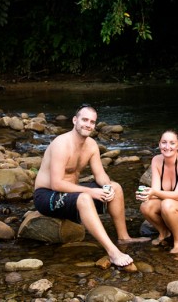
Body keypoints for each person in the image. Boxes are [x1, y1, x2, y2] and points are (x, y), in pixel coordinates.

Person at [34, 104, 150, 267]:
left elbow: (100, 174)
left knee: (116, 187)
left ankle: (124, 237)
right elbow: (57, 183)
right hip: (46, 195)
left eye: (92, 122)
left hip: (70, 193)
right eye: (84, 120)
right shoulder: (61, 144)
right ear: (75, 120)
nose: (88, 124)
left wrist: (107, 186)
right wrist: (92, 192)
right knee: (85, 198)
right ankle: (113, 252)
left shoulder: (91, 145)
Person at [137, 130, 178, 254]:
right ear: (159, 144)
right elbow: (155, 191)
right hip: (169, 210)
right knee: (145, 206)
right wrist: (146, 194)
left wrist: (153, 192)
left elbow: (177, 195)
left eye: (172, 143)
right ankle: (164, 232)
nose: (167, 147)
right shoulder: (156, 160)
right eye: (164, 142)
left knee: (167, 203)